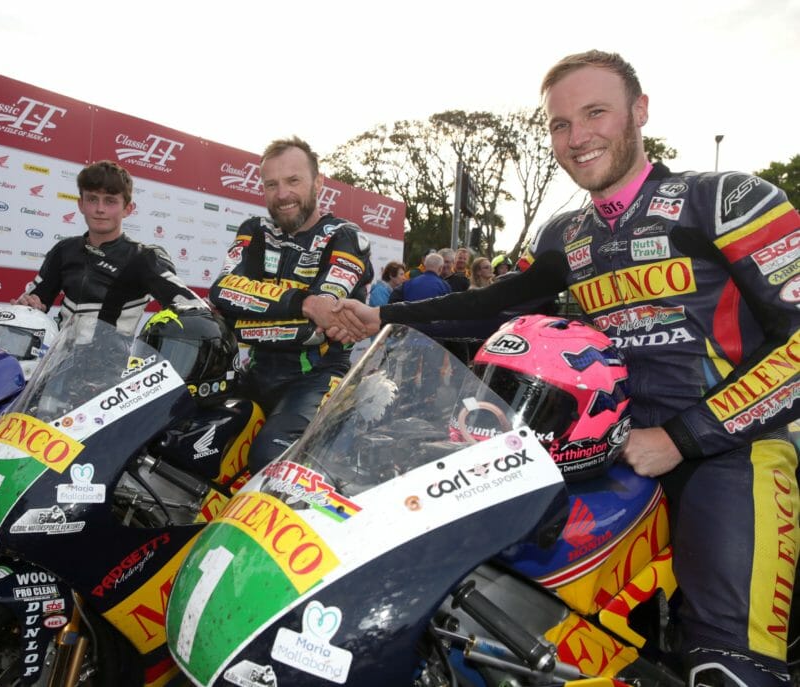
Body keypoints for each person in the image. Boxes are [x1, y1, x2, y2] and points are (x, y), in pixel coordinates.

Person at [326, 50, 799, 686]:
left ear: (639, 112)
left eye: (594, 113)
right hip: (590, 447)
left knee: (726, 667)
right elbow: (493, 307)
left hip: (730, 450)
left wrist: (683, 437)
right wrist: (382, 319)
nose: (577, 138)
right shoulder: (565, 234)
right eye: (559, 124)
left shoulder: (724, 200)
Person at [208, 136, 373, 472]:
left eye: (293, 181)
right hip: (253, 373)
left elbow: (318, 325)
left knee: (270, 462)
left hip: (317, 378)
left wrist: (245, 319)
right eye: (272, 184)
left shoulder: (346, 236)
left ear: (318, 182)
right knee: (198, 443)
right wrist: (303, 303)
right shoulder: (254, 230)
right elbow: (223, 291)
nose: (282, 194)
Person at [13, 160, 203, 333]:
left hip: (113, 368)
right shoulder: (64, 250)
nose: (100, 209)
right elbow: (34, 303)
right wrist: (29, 306)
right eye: (92, 199)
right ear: (81, 204)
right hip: (58, 365)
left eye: (110, 201)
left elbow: (195, 309)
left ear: (128, 209)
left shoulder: (143, 258)